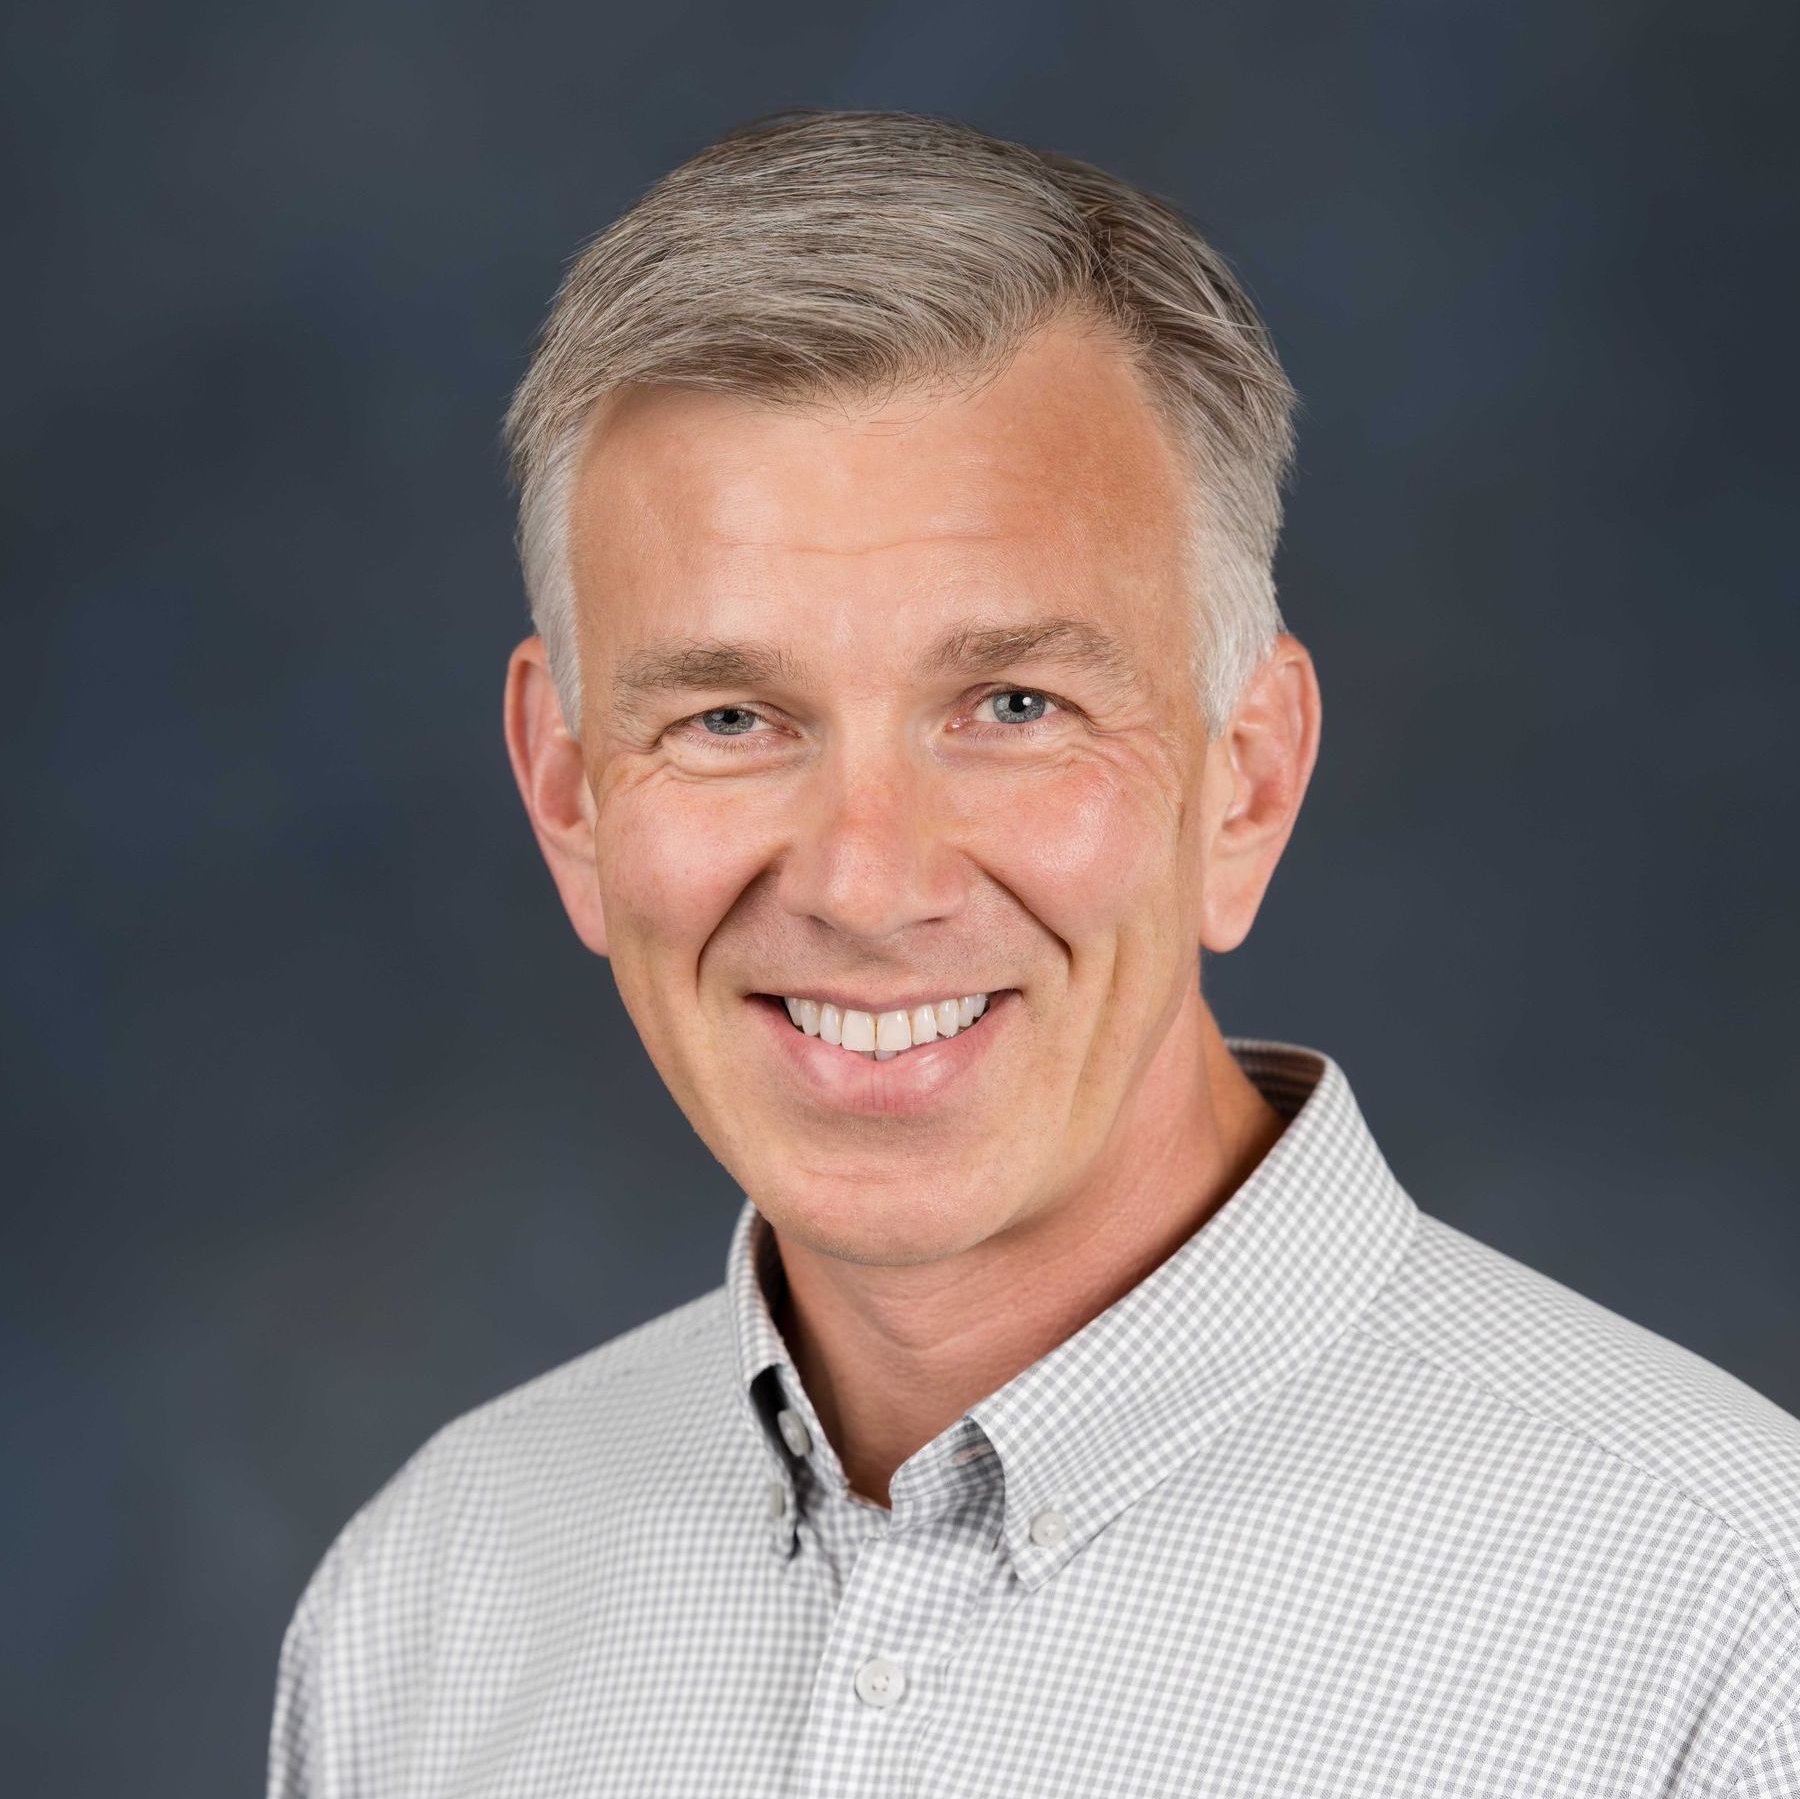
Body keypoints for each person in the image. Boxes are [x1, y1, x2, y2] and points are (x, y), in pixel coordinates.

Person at [267, 108, 1800, 1796]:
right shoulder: (431, 1604)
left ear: (1247, 777)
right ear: (569, 797)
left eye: (1014, 707)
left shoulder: (1718, 1625)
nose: (866, 880)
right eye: (727, 715)